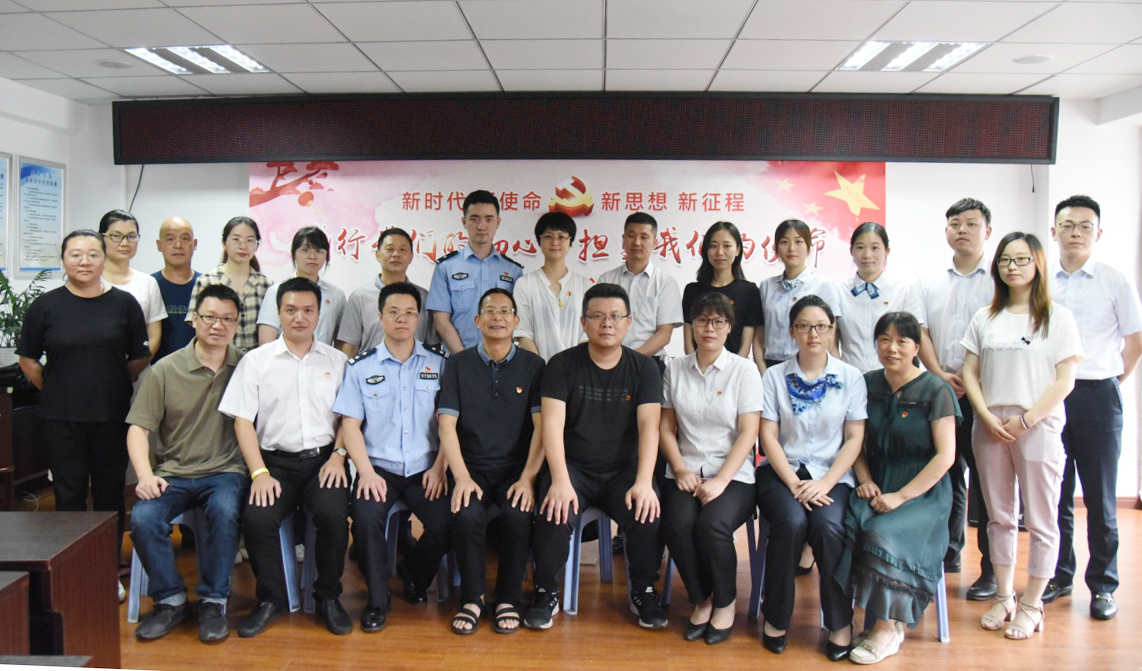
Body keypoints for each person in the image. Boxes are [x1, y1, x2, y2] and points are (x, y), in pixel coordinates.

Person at [524, 283, 667, 631]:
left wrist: (644, 482)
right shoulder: (561, 365)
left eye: (616, 316)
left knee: (648, 509)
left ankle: (644, 590)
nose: (607, 324)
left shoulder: (644, 368)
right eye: (598, 316)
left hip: (624, 470)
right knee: (553, 508)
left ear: (628, 323)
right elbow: (551, 426)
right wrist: (560, 480)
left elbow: (650, 428)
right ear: (584, 322)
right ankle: (545, 591)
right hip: (574, 469)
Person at [17, 230, 151, 601]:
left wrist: (109, 382)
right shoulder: (46, 306)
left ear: (104, 259)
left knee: (109, 494)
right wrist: (55, 387)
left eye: (93, 254)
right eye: (75, 254)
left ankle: (108, 568)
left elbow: (139, 358)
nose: (84, 261)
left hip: (111, 414)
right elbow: (28, 359)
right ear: (63, 260)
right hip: (61, 417)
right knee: (69, 495)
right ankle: (73, 568)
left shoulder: (123, 304)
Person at [962, 232, 1083, 641]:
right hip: (990, 425)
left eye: (1021, 259)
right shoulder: (985, 316)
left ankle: (1032, 603)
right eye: (1004, 260)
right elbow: (969, 372)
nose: (1011, 267)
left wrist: (1027, 420)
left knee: (1042, 519)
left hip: (1037, 424)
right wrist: (984, 415)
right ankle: (1003, 596)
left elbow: (1065, 380)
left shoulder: (1057, 317)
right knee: (998, 516)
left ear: (1038, 265)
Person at [218, 277, 352, 637]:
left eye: (308, 310)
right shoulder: (256, 361)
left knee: (333, 516)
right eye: (291, 310)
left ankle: (328, 597)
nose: (299, 318)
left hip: (325, 461)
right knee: (257, 519)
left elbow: (348, 418)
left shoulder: (338, 361)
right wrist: (259, 473)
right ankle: (271, 599)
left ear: (319, 314)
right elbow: (242, 421)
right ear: (278, 313)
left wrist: (339, 455)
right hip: (274, 464)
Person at [126, 284, 246, 643]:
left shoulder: (246, 366)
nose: (218, 325)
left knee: (225, 511)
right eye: (209, 317)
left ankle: (213, 601)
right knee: (144, 518)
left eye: (227, 319)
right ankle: (170, 600)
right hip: (172, 473)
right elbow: (138, 429)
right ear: (194, 319)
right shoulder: (165, 370)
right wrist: (144, 476)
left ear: (236, 325)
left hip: (225, 471)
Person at [837, 312, 959, 664]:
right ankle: (845, 622)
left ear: (916, 347)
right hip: (876, 483)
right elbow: (853, 440)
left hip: (922, 492)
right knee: (843, 526)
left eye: (902, 341)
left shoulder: (936, 390)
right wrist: (865, 479)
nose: (892, 348)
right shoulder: (867, 383)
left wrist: (901, 496)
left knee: (883, 534)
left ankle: (887, 629)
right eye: (884, 340)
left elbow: (946, 456)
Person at [1043, 195, 1142, 620]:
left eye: (1085, 226)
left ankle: (1103, 586)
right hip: (1051, 397)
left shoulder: (1115, 280)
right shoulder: (1041, 281)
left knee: (1100, 499)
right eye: (1068, 225)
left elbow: (1135, 342)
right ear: (1054, 232)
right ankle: (1060, 575)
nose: (1076, 233)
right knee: (1055, 495)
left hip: (1098, 396)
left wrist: (1110, 382)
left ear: (1098, 234)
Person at [332, 282, 450, 633]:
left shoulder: (439, 364)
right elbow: (350, 426)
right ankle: (377, 600)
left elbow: (450, 423)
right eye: (394, 312)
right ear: (380, 316)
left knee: (448, 522)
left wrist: (440, 467)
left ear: (419, 318)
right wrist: (365, 472)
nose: (402, 319)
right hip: (378, 469)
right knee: (365, 521)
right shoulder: (360, 367)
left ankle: (413, 573)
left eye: (410, 313)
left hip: (426, 469)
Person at [756, 295, 864, 661]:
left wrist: (825, 483)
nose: (812, 334)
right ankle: (776, 618)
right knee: (790, 522)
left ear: (832, 330)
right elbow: (768, 436)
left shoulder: (850, 378)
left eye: (820, 326)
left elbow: (854, 438)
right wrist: (793, 483)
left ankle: (840, 622)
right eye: (804, 326)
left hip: (831, 476)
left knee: (829, 528)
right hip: (782, 472)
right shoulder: (774, 376)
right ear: (791, 331)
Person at [438, 288, 546, 634]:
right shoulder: (457, 364)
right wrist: (461, 477)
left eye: (505, 311)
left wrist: (528, 478)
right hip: (472, 468)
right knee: (467, 513)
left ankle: (508, 599)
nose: (497, 317)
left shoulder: (534, 366)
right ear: (477, 320)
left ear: (516, 321)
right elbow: (446, 426)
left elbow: (542, 428)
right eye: (490, 311)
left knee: (517, 515)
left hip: (516, 469)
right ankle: (472, 598)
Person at [660, 293, 762, 645]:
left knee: (712, 525)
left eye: (718, 321)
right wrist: (679, 469)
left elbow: (749, 432)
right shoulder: (675, 369)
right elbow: (666, 428)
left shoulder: (744, 370)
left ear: (729, 327)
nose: (709, 328)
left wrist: (720, 480)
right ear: (691, 325)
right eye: (702, 320)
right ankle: (701, 598)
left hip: (733, 475)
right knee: (675, 523)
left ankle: (725, 602)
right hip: (686, 469)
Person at [916, 197, 997, 597]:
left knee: (986, 481)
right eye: (954, 223)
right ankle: (948, 552)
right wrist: (938, 374)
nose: (962, 229)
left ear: (987, 231)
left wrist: (969, 377)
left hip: (987, 393)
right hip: (942, 389)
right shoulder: (930, 281)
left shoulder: (1000, 280)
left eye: (971, 223)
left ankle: (992, 570)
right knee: (946, 473)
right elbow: (922, 332)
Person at [427, 190, 523, 353]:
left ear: (498, 222)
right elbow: (441, 322)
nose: (481, 226)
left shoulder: (513, 270)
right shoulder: (446, 267)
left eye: (489, 219)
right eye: (474, 218)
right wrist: (465, 360)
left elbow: (515, 321)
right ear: (464, 222)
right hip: (458, 359)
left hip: (502, 360)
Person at [755, 219, 844, 373]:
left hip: (809, 366)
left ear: (808, 247)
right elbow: (759, 336)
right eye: (784, 242)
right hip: (771, 367)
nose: (791, 248)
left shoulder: (823, 285)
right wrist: (764, 373)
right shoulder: (767, 285)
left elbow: (830, 337)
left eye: (798, 242)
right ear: (776, 248)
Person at [597, 212, 683, 368]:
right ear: (623, 240)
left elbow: (664, 334)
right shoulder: (606, 280)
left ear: (655, 242)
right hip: (608, 361)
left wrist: (630, 360)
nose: (637, 242)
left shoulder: (665, 283)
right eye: (631, 236)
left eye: (644, 237)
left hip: (649, 363)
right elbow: (597, 322)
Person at [837, 222, 925, 373]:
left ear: (887, 251)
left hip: (892, 377)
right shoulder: (838, 291)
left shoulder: (903, 291)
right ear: (851, 251)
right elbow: (830, 342)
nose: (867, 255)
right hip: (850, 377)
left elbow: (915, 338)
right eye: (860, 247)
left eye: (875, 248)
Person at [338, 227, 435, 357]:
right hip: (370, 369)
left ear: (411, 257)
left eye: (402, 249)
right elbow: (349, 349)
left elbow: (431, 346)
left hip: (415, 368)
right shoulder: (359, 297)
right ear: (378, 255)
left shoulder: (425, 297)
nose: (396, 254)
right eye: (390, 249)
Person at [187, 216, 272, 352]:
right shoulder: (206, 282)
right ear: (224, 243)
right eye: (236, 239)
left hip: (255, 361)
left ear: (256, 246)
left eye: (250, 240)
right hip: (218, 359)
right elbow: (196, 327)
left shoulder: (266, 285)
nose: (243, 246)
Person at [514, 212, 590, 360]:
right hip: (538, 368)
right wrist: (540, 367)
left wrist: (574, 367)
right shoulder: (525, 284)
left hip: (578, 367)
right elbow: (523, 333)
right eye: (548, 236)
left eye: (561, 237)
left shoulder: (585, 285)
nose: (555, 242)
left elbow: (587, 334)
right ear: (539, 240)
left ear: (570, 241)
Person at [681, 221, 763, 360]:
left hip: (734, 368)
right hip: (697, 366)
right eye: (713, 246)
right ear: (706, 250)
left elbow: (745, 344)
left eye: (727, 246)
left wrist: (734, 369)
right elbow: (688, 340)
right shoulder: (692, 290)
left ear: (737, 250)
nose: (719, 252)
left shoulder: (749, 291)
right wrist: (693, 366)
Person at [258, 227, 346, 346]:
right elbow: (266, 342)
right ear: (294, 253)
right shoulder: (275, 292)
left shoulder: (336, 296)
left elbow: (341, 342)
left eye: (319, 251)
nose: (312, 256)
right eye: (305, 250)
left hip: (323, 357)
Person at [100, 209, 167, 360]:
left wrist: (134, 369)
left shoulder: (148, 282)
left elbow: (154, 336)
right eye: (116, 236)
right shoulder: (92, 281)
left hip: (139, 370)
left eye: (131, 236)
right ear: (101, 238)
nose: (125, 243)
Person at [152, 216, 200, 363]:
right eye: (170, 239)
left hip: (198, 368)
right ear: (159, 245)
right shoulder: (149, 285)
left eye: (185, 239)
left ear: (195, 244)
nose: (178, 245)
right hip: (155, 370)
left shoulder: (206, 285)